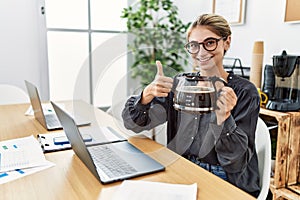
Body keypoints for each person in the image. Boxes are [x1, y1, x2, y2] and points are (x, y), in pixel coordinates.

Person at [122, 13, 260, 197]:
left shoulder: (244, 92)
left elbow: (236, 162)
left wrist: (224, 118)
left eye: (210, 42)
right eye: (194, 45)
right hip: (181, 165)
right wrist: (146, 95)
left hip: (224, 176)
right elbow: (132, 124)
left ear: (226, 42)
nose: (201, 52)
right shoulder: (180, 83)